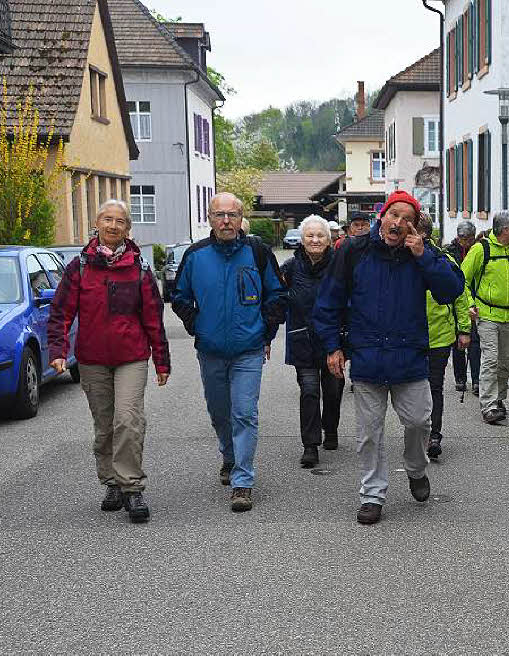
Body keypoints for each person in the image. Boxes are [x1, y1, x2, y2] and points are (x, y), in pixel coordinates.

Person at [313, 190, 464, 525]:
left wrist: (424, 256)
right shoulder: (353, 251)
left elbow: (451, 290)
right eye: (394, 215)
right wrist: (332, 347)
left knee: (419, 422)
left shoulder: (422, 253)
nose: (399, 222)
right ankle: (372, 494)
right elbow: (328, 302)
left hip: (409, 357)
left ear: (414, 226)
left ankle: (415, 468)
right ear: (381, 217)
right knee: (369, 433)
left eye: (407, 218)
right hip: (367, 357)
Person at [47, 200, 171, 523]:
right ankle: (111, 482)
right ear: (97, 223)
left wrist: (162, 360)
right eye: (107, 220)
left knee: (127, 420)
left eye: (120, 221)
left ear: (128, 229)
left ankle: (132, 488)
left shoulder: (139, 268)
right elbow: (61, 311)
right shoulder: (80, 266)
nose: (113, 226)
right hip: (92, 359)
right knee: (104, 426)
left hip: (131, 357)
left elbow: (153, 318)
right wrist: (58, 351)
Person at [172, 192, 287, 513]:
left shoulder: (259, 253)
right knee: (219, 413)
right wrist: (197, 325)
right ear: (209, 218)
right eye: (219, 215)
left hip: (248, 350)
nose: (226, 221)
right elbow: (178, 295)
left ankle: (243, 482)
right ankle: (229, 456)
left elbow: (278, 295)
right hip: (210, 350)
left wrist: (266, 331)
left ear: (240, 219)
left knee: (245, 413)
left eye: (232, 215)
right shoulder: (196, 256)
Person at [461, 210, 509, 425]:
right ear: (506, 230)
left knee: (505, 362)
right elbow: (462, 279)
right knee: (490, 360)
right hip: (487, 314)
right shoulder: (480, 249)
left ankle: (499, 399)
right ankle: (488, 405)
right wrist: (470, 303)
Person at [281, 214, 343, 469]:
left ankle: (331, 428)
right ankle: (310, 445)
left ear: (329, 240)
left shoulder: (339, 266)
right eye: (310, 235)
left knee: (332, 390)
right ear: (302, 239)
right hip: (302, 339)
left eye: (320, 236)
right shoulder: (290, 268)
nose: (315, 239)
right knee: (309, 391)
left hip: (333, 341)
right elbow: (275, 298)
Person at [417, 212, 472, 460]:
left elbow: (460, 296)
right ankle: (418, 432)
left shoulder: (443, 259)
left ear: (425, 234)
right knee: (412, 390)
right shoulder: (398, 261)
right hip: (409, 336)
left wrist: (463, 329)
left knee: (434, 386)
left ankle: (434, 435)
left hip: (439, 336)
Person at [445, 220, 480, 395]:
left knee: (474, 342)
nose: (465, 241)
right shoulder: (449, 252)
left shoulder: (478, 250)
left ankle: (476, 379)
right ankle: (460, 378)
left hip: (474, 299)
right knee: (458, 341)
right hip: (456, 299)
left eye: (468, 238)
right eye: (462, 238)